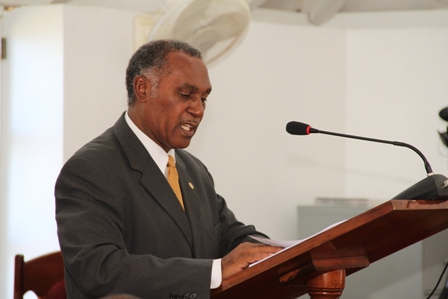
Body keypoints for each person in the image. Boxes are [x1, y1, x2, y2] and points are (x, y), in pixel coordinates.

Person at [55, 39, 281, 299]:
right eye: (185, 95)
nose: (198, 109)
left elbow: (233, 236)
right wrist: (215, 271)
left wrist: (287, 253)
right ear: (143, 89)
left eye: (204, 98)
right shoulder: (91, 169)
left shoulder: (193, 170)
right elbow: (99, 268)